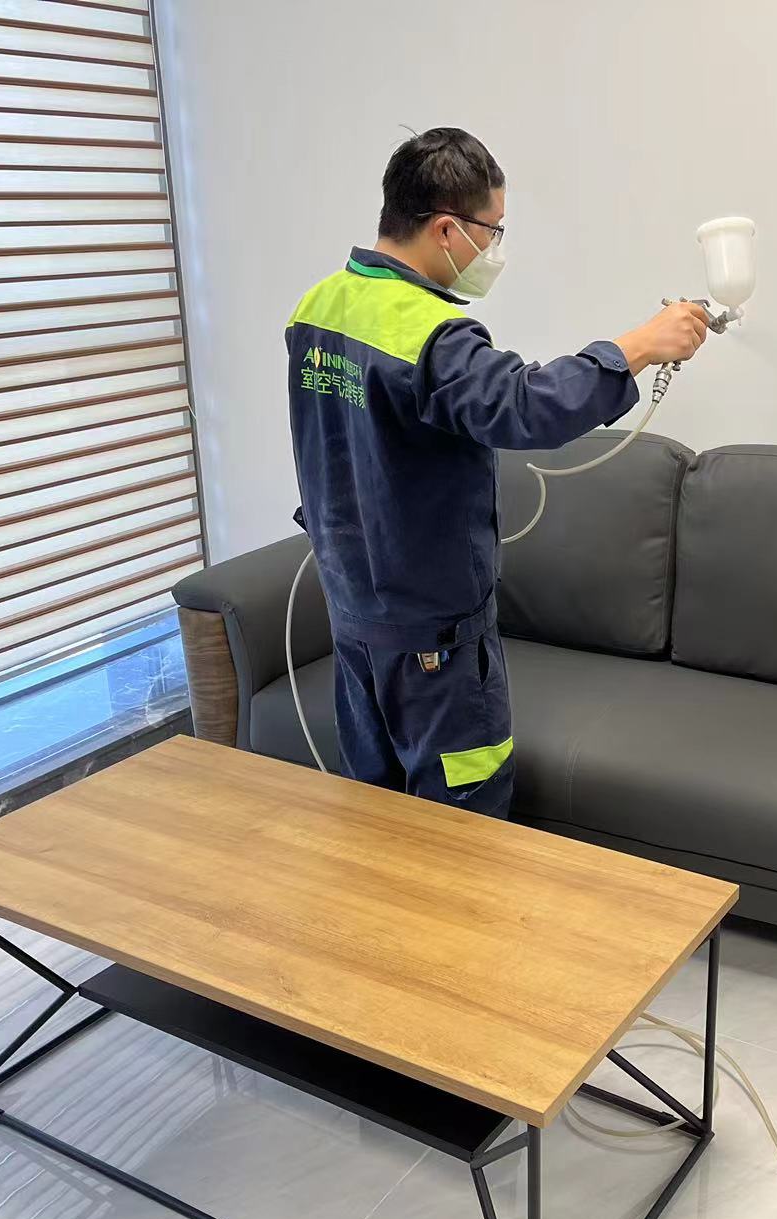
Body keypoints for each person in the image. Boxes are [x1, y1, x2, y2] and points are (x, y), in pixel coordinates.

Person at [285, 126, 709, 818]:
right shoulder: (429, 333)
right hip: (435, 644)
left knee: (375, 817)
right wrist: (639, 345)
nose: (494, 249)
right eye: (493, 230)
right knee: (463, 828)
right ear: (446, 229)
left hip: (356, 622)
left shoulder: (318, 307)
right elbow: (525, 405)